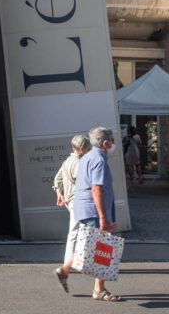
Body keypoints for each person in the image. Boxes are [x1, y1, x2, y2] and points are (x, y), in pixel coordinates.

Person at [55, 126, 123, 302]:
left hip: (84, 208)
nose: (115, 143)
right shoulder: (99, 159)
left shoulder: (87, 157)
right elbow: (96, 188)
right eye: (113, 140)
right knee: (102, 249)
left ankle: (64, 270)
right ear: (106, 142)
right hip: (93, 209)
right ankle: (99, 290)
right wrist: (103, 217)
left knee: (88, 246)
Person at [53, 133, 90, 291]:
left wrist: (60, 194)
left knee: (75, 231)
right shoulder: (79, 163)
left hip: (69, 200)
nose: (90, 150)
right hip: (77, 201)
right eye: (88, 148)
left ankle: (70, 262)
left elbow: (57, 180)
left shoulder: (67, 161)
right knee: (80, 232)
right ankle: (71, 264)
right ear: (81, 149)